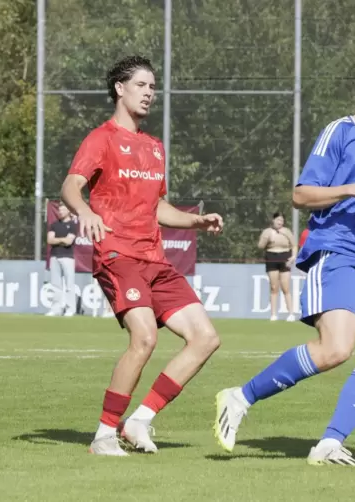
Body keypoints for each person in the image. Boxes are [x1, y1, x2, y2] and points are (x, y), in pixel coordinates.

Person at [213, 59, 355, 466]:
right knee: (335, 350)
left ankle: (330, 444)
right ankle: (240, 397)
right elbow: (301, 195)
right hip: (339, 252)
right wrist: (351, 188)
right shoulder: (340, 132)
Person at [61, 55, 223, 456]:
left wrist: (195, 221)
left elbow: (158, 208)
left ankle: (140, 420)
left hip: (156, 259)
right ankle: (103, 435)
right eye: (142, 85)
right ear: (120, 88)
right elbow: (70, 185)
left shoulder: (154, 147)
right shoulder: (101, 138)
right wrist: (84, 211)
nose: (150, 92)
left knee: (205, 338)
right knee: (145, 337)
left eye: (153, 86)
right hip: (119, 254)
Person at [257, 211, 296, 322]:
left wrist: (293, 257)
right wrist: (266, 239)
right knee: (274, 287)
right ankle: (273, 314)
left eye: (282, 220)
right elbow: (260, 246)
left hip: (285, 257)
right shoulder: (267, 232)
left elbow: (294, 245)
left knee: (286, 287)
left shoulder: (286, 231)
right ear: (273, 220)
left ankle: (291, 313)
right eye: (278, 220)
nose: (280, 222)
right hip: (271, 257)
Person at [46, 202, 77, 317]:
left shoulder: (73, 225)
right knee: (55, 285)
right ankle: (56, 309)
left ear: (68, 211)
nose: (61, 212)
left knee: (69, 285)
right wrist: (62, 240)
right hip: (54, 256)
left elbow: (69, 241)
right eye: (59, 210)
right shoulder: (54, 225)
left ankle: (70, 309)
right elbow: (50, 240)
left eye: (63, 210)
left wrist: (57, 240)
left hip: (68, 257)